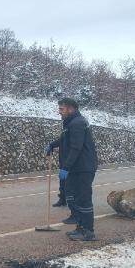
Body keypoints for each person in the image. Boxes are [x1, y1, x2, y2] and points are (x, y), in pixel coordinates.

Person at [45, 98, 98, 241]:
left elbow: (76, 147)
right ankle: (80, 227)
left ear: (70, 108)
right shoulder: (71, 123)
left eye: (62, 109)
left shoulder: (77, 123)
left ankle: (88, 231)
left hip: (83, 167)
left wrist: (65, 167)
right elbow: (65, 139)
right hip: (76, 168)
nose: (59, 112)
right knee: (72, 196)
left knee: (83, 198)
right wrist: (52, 145)